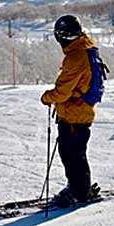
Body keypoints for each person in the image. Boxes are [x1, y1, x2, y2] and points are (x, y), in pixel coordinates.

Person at [41, 14, 101, 207]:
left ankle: (79, 192)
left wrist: (47, 97)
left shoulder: (76, 56)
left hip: (75, 113)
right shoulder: (85, 47)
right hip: (79, 111)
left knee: (72, 154)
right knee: (73, 153)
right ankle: (79, 187)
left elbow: (63, 92)